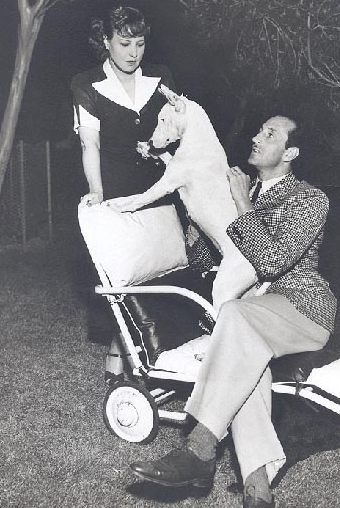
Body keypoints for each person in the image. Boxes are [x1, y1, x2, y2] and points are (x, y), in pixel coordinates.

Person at [129, 115, 337, 508]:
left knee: (237, 318)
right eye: (259, 130)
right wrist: (194, 214)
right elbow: (209, 258)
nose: (257, 137)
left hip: (303, 308)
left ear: (290, 153)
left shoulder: (309, 199)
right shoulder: (238, 189)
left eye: (270, 134)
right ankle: (258, 493)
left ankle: (200, 449)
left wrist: (242, 205)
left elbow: (273, 261)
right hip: (252, 318)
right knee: (245, 354)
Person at [71, 4, 197, 379]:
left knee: (163, 272)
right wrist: (97, 191)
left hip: (159, 190)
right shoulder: (86, 83)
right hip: (117, 191)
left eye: (140, 44)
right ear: (105, 41)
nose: (132, 52)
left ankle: (159, 358)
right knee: (123, 277)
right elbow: (88, 144)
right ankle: (119, 358)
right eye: (124, 43)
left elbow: (178, 130)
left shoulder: (162, 77)